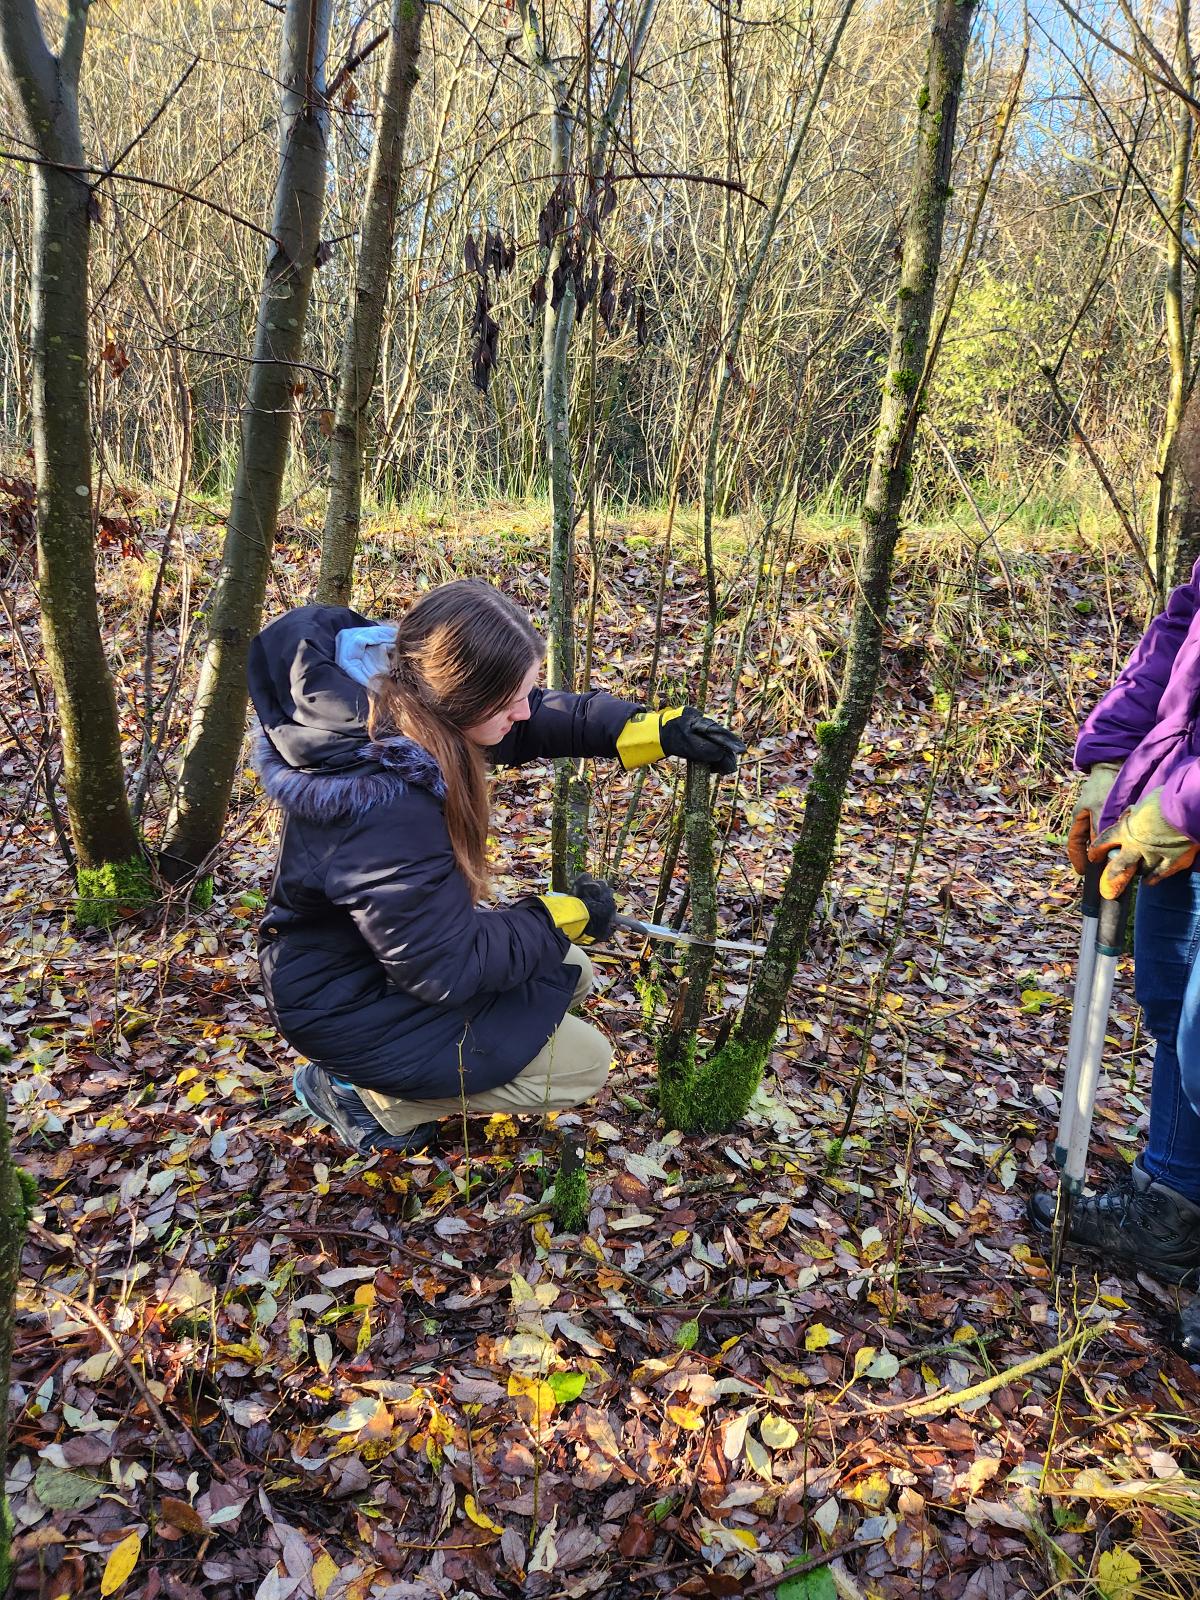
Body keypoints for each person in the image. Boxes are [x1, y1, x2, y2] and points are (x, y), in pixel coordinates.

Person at [246, 579, 744, 1159]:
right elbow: (443, 966)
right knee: (583, 1065)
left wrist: (643, 730)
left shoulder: (401, 704)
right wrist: (557, 915)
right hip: (345, 1002)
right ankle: (360, 1096)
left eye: (526, 691)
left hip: (375, 966)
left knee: (571, 971)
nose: (525, 710)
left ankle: (388, 1080)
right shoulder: (385, 800)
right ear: (460, 698)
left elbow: (532, 719)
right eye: (510, 698)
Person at [1027, 560, 1200, 1357]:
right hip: (1174, 806)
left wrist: (1179, 806)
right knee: (1171, 1002)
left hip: (1183, 807)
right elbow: (1177, 636)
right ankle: (1172, 1202)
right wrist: (1111, 764)